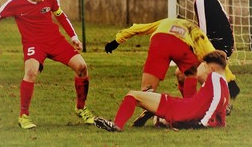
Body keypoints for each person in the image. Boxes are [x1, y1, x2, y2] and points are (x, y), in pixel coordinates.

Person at [0, 0, 95, 129]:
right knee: (31, 72)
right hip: (33, 43)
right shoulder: (16, 2)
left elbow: (60, 15)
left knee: (82, 67)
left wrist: (74, 37)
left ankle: (81, 108)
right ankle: (24, 116)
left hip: (55, 40)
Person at [105, 18, 234, 126]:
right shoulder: (193, 28)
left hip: (160, 42)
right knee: (190, 74)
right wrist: (229, 78)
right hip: (182, 47)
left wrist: (116, 41)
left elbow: (138, 28)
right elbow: (212, 53)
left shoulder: (165, 22)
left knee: (145, 91)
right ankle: (190, 110)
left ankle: (149, 102)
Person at [94, 50, 230, 132]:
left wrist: (204, 123)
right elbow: (221, 107)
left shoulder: (214, 76)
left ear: (209, 67)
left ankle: (117, 125)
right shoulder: (224, 86)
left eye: (204, 66)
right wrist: (220, 123)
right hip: (184, 111)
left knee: (133, 95)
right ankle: (157, 116)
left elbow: (216, 99)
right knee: (154, 105)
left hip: (180, 108)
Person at [176, 0, 240, 100]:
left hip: (219, 45)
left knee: (199, 74)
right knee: (180, 73)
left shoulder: (201, 0)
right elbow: (226, 17)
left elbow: (203, 34)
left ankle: (220, 104)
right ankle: (190, 106)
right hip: (216, 42)